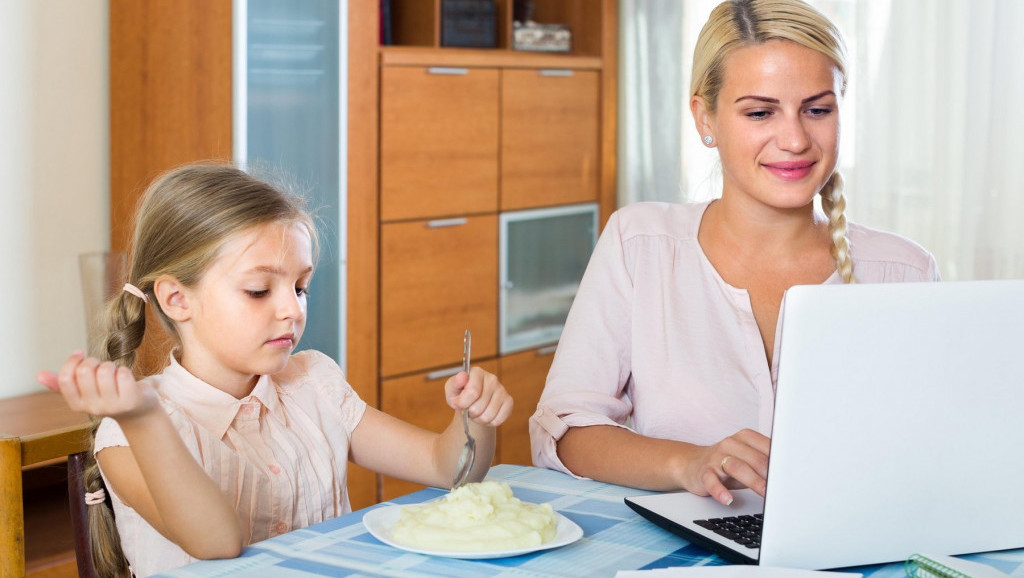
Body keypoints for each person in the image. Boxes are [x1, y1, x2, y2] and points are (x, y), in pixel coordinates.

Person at [529, 0, 939, 508]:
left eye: (817, 109)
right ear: (706, 117)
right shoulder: (640, 245)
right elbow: (566, 429)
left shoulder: (905, 272)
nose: (794, 139)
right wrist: (689, 462)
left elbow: (935, 453)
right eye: (760, 112)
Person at [37, 164, 513, 577]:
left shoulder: (313, 383)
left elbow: (447, 467)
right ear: (177, 299)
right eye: (260, 290)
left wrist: (475, 416)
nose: (292, 309)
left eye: (301, 286)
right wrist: (145, 419)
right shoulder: (130, 430)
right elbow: (217, 543)